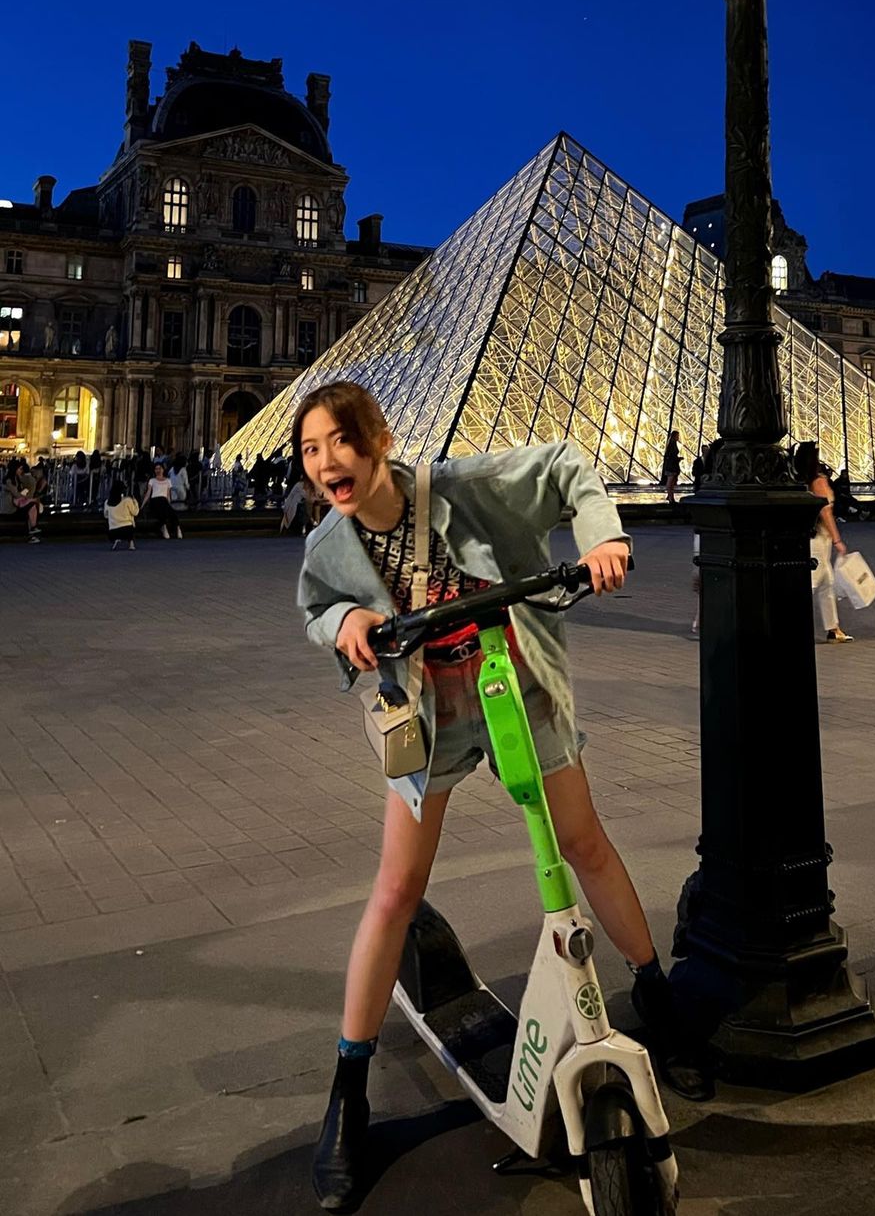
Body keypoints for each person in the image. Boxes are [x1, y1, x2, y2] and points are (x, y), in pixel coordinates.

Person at [294, 381, 708, 1209]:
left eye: (338, 439)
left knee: (583, 842)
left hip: (513, 679)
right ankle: (348, 1090)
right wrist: (340, 622)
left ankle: (653, 993)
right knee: (396, 889)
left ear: (375, 439)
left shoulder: (460, 488)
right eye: (309, 448)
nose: (325, 460)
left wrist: (602, 539)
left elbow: (564, 468)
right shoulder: (329, 545)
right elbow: (317, 604)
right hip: (427, 712)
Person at [793, 441, 852, 643]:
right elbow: (826, 512)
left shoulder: (799, 479)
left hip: (814, 538)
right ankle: (791, 625)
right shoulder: (818, 482)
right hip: (818, 540)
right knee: (811, 584)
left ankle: (833, 629)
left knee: (827, 584)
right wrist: (837, 540)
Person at [1, 461, 43, 542]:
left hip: (14, 505)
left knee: (32, 507)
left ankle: (33, 531)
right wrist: (30, 499)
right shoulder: (9, 480)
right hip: (9, 507)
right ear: (15, 469)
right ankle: (32, 532)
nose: (21, 470)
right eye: (20, 469)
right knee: (31, 507)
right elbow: (16, 494)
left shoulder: (16, 479)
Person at [142, 462, 183, 539]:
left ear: (163, 470)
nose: (158, 470)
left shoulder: (168, 480)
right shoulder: (152, 480)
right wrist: (143, 505)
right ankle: (164, 527)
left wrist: (169, 504)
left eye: (159, 468)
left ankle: (177, 528)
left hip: (163, 500)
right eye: (156, 469)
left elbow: (168, 494)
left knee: (171, 512)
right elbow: (148, 493)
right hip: (155, 500)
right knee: (160, 508)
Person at [104, 478, 139, 550]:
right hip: (127, 529)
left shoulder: (107, 502)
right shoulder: (127, 500)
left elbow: (106, 515)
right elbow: (135, 512)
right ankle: (131, 543)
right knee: (130, 521)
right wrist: (135, 502)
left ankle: (116, 540)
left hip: (112, 531)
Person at [661, 429, 681, 505]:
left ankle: (670, 496)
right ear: (674, 436)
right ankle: (670, 497)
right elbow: (672, 455)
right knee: (670, 482)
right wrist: (678, 459)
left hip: (671, 465)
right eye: (677, 436)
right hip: (671, 466)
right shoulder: (672, 444)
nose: (678, 437)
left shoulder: (671, 443)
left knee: (671, 482)